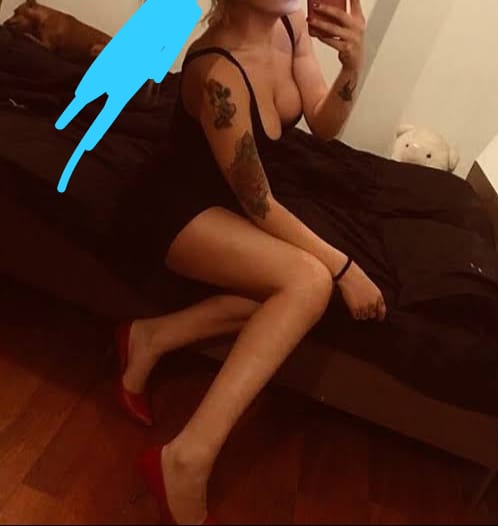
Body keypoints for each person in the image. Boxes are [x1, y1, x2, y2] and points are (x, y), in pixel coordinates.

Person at [115, 1, 387, 523]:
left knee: (303, 288)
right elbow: (259, 203)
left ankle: (151, 337)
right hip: (179, 208)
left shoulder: (290, 23)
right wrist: (344, 268)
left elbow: (324, 124)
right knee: (311, 282)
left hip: (236, 201)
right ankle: (187, 458)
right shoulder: (217, 69)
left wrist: (353, 65)